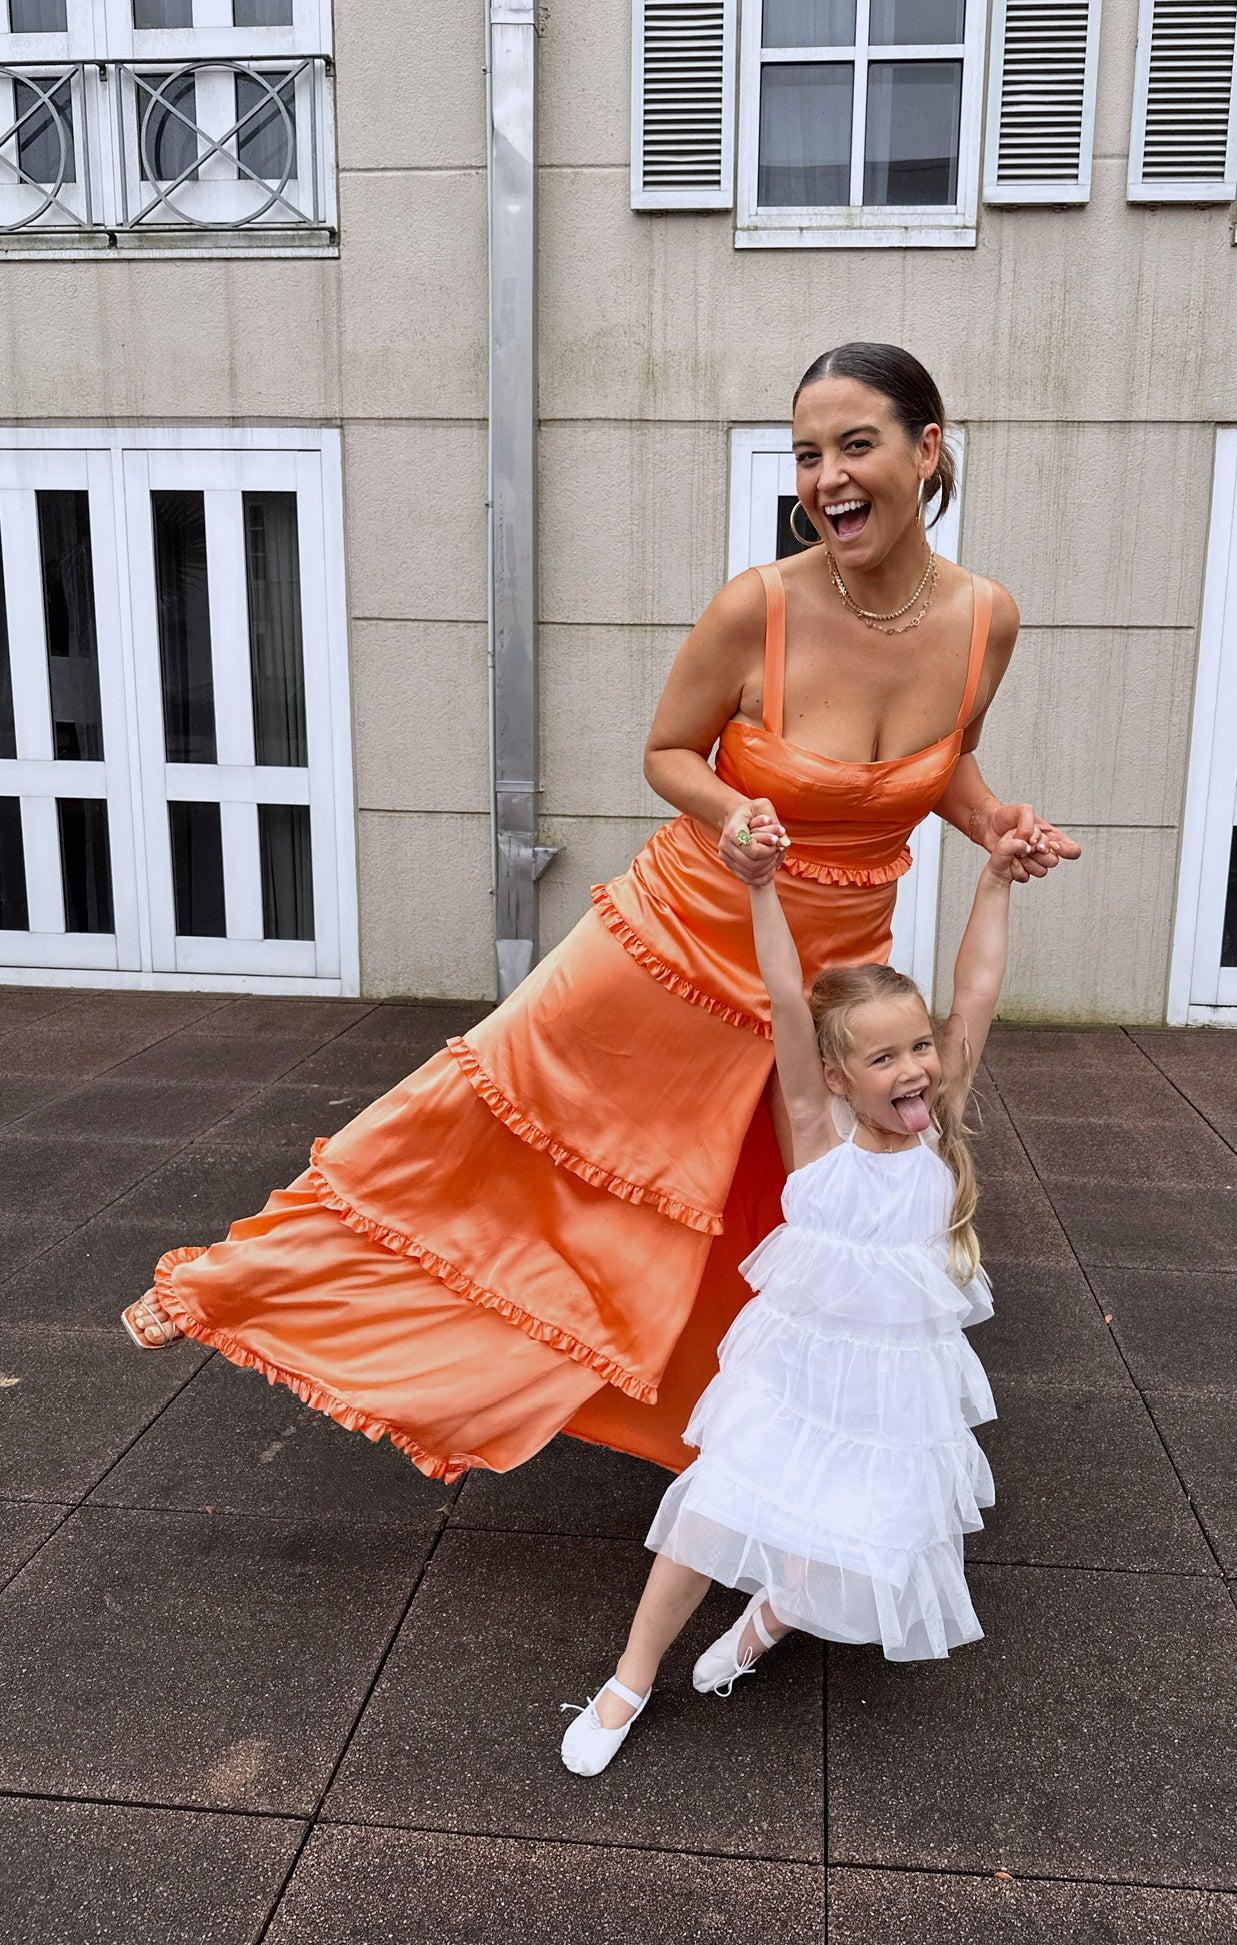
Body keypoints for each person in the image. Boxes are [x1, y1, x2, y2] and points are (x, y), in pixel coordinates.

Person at [119, 341, 1079, 1489]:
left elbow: (943, 764)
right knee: (480, 1114)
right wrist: (731, 811)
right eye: (805, 454)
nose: (825, 477)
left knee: (779, 1209)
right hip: (675, 939)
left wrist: (997, 823)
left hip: (828, 978)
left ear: (927, 450)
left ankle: (754, 1443)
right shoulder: (758, 607)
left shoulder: (985, 620)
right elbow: (668, 752)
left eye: (854, 445)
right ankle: (242, 1281)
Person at [560, 817, 1034, 1777]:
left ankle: (771, 1611)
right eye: (882, 1058)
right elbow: (785, 995)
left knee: (859, 1513)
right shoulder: (818, 1130)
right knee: (711, 1511)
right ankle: (629, 1678)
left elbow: (977, 990)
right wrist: (761, 886)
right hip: (792, 1370)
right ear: (834, 1076)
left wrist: (994, 879)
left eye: (918, 1046)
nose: (912, 1068)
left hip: (893, 1379)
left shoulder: (936, 1125)